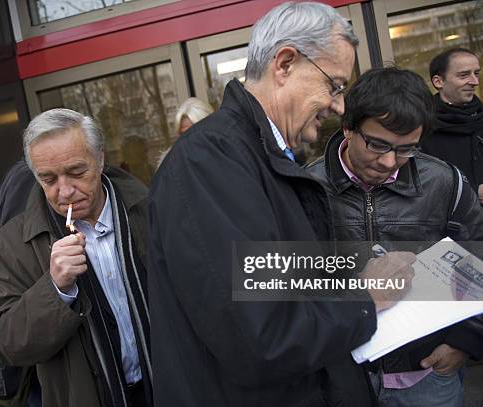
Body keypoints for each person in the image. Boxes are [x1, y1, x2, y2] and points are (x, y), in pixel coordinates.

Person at [148, 2, 415, 406]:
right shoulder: (212, 162)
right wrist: (366, 296)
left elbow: (289, 283)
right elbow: (263, 336)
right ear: (285, 63)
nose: (340, 106)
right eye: (335, 85)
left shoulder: (260, 157)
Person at [307, 66, 483, 407]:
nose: (389, 161)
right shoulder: (306, 190)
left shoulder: (444, 182)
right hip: (344, 380)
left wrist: (465, 341)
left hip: (428, 375)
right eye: (377, 144)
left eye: (407, 149)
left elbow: (478, 256)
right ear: (348, 128)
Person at [0, 108, 152, 407]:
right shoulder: (12, 244)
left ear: (100, 159)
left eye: (77, 172)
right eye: (48, 179)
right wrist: (56, 288)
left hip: (165, 386)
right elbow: (6, 345)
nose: (65, 191)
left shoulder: (148, 211)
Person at [422, 48, 482, 203]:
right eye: (464, 75)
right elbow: (423, 185)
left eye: (476, 73)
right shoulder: (422, 128)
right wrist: (473, 192)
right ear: (438, 82)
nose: (475, 81)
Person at [157, 97, 213, 167]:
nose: (186, 140)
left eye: (192, 133)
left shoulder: (226, 157)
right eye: (182, 135)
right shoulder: (172, 168)